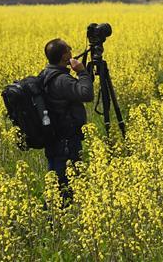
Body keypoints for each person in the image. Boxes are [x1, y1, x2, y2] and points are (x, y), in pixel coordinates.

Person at [40, 38, 94, 204]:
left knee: (56, 177)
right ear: (65, 56)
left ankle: (55, 215)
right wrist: (82, 72)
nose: (72, 52)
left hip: (54, 137)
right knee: (65, 183)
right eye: (69, 49)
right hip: (66, 140)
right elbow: (86, 94)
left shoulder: (45, 74)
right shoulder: (62, 79)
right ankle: (57, 217)